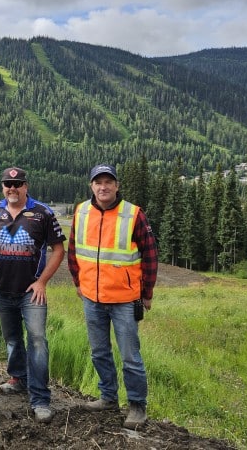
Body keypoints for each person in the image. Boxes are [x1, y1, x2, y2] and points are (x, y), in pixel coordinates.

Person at [67, 163, 158, 429]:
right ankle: (108, 397)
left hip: (124, 299)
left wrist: (147, 293)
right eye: (98, 182)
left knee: (130, 355)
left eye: (108, 182)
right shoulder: (81, 211)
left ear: (117, 186)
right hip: (92, 298)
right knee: (99, 352)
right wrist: (77, 282)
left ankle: (137, 406)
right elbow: (74, 250)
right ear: (91, 186)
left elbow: (150, 255)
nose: (103, 187)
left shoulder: (133, 214)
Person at [0, 167, 66, 424]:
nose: (12, 188)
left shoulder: (42, 213)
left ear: (26, 186)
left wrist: (42, 282)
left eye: (17, 184)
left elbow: (58, 249)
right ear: (3, 187)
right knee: (12, 339)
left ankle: (40, 399)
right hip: (2, 290)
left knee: (37, 341)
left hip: (32, 293)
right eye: (8, 183)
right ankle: (18, 379)